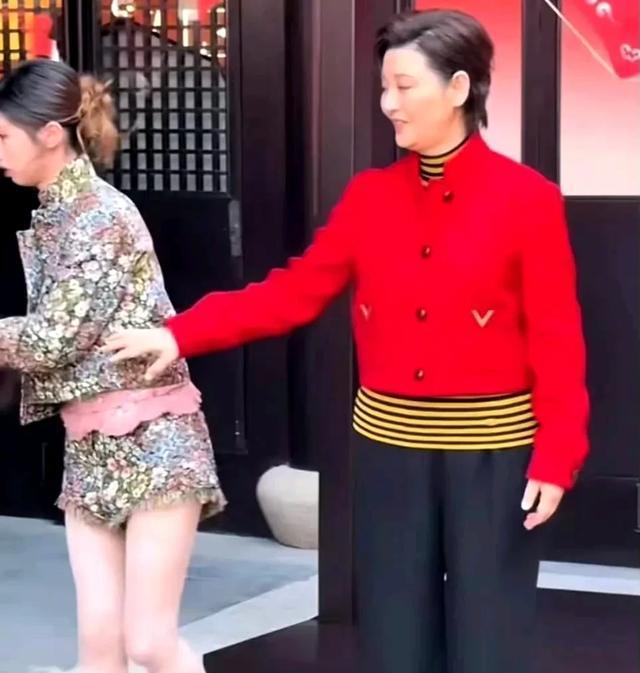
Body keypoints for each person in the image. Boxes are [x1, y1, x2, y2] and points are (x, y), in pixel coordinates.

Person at [105, 10, 590, 673]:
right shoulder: (371, 198)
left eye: (404, 86)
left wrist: (557, 457)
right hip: (389, 452)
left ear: (458, 87)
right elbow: (293, 291)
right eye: (384, 86)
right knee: (394, 635)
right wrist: (179, 333)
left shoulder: (526, 199)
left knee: (491, 637)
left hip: (492, 453)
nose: (388, 103)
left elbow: (558, 339)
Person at [0, 59, 225, 673]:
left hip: (154, 440)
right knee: (99, 649)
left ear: (50, 133)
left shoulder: (99, 216)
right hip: (91, 440)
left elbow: (54, 339)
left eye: (4, 136)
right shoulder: (58, 212)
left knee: (148, 642)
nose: (0, 152)